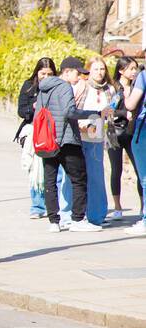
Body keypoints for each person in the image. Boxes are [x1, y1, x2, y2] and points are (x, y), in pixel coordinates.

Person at [37, 56, 112, 233]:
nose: (79, 78)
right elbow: (70, 111)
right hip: (67, 139)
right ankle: (77, 219)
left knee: (50, 180)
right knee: (79, 179)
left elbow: (38, 112)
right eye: (77, 74)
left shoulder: (44, 88)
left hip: (47, 139)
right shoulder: (64, 87)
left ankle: (54, 221)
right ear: (67, 72)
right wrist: (94, 113)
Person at [65, 56, 113, 226]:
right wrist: (81, 124)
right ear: (89, 71)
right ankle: (69, 214)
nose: (100, 72)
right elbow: (71, 109)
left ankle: (97, 215)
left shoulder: (109, 90)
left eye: (102, 69)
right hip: (78, 133)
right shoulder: (81, 86)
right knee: (74, 174)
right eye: (96, 69)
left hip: (96, 134)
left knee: (96, 175)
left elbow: (109, 113)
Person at [17, 58, 58, 219]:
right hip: (34, 131)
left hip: (53, 131)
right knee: (36, 169)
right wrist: (33, 108)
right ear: (37, 72)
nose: (46, 77)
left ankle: (52, 205)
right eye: (43, 73)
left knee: (51, 169)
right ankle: (37, 206)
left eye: (50, 74)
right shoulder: (29, 86)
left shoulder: (58, 87)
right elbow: (21, 110)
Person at [108, 56, 141, 220]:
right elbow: (108, 110)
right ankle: (117, 207)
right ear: (121, 70)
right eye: (131, 69)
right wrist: (124, 113)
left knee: (140, 169)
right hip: (114, 133)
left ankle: (143, 206)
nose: (134, 72)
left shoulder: (138, 87)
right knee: (116, 169)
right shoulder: (114, 87)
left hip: (132, 132)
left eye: (135, 68)